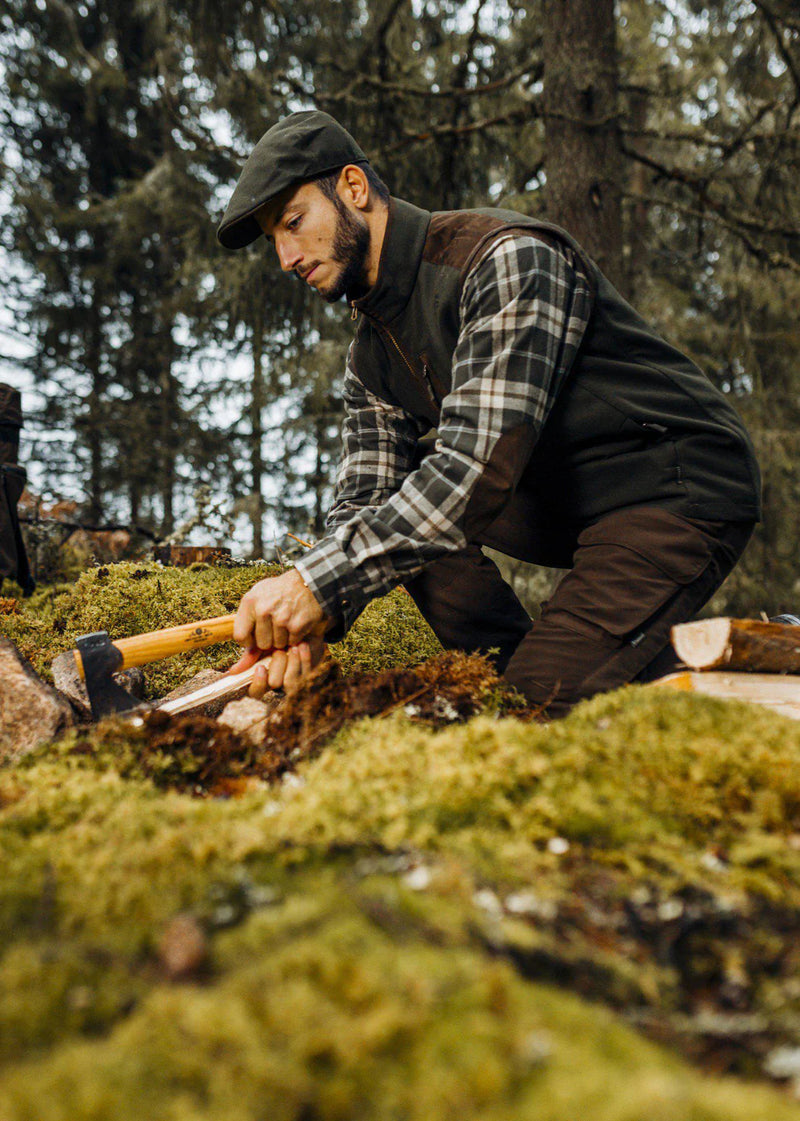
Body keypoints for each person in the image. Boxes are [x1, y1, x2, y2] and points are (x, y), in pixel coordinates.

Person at [217, 110, 760, 717]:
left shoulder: (504, 259)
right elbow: (364, 504)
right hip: (568, 499)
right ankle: (512, 674)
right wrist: (311, 619)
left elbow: (475, 468)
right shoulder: (370, 355)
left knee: (537, 698)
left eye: (293, 223)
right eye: (274, 242)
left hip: (674, 485)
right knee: (411, 531)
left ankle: (754, 658)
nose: (287, 257)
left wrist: (315, 584)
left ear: (353, 188)